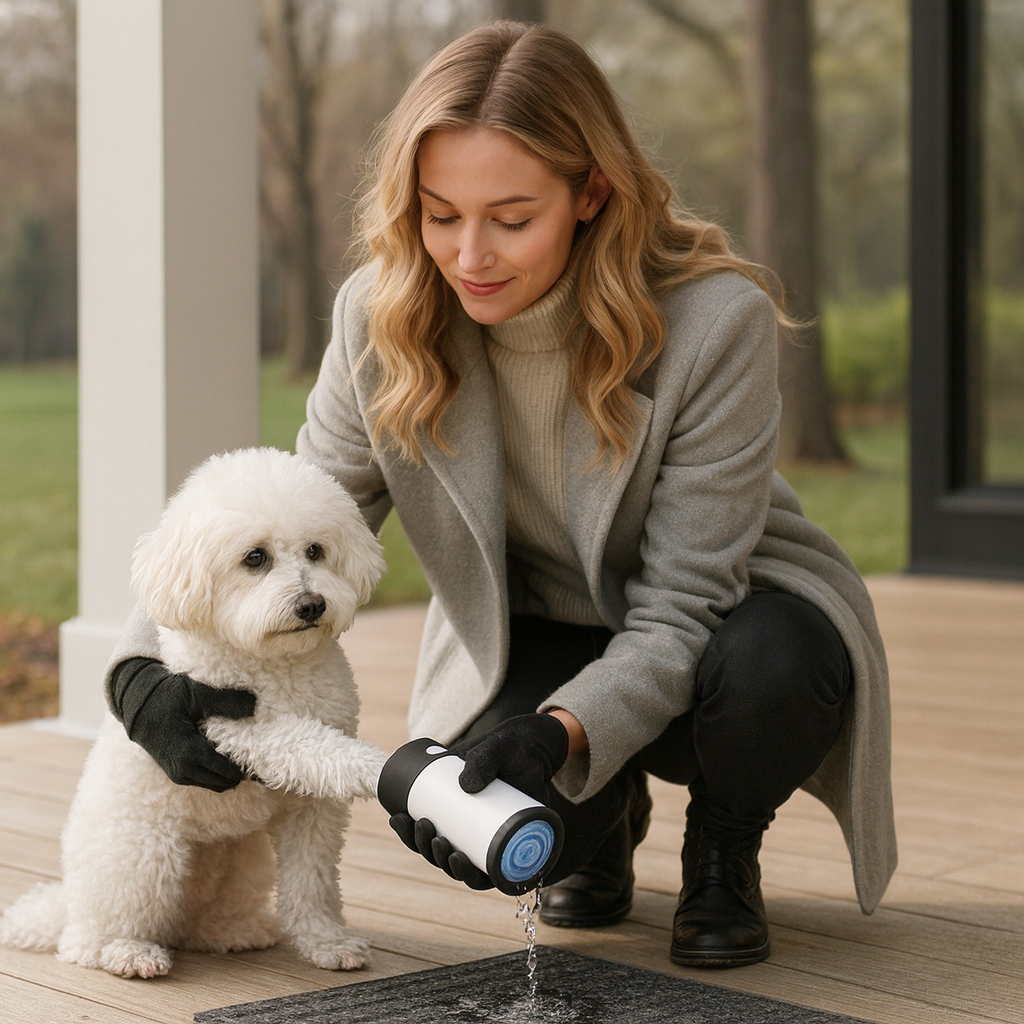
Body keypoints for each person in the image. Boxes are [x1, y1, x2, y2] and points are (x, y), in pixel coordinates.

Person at [106, 21, 896, 969]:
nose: (469, 254)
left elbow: (686, 607)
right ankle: (599, 829)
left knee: (776, 660)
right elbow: (285, 516)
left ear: (590, 193)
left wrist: (559, 733)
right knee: (474, 828)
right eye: (441, 215)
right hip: (532, 635)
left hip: (727, 629)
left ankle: (723, 846)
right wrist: (136, 667)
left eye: (511, 219)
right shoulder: (379, 316)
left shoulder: (714, 323)